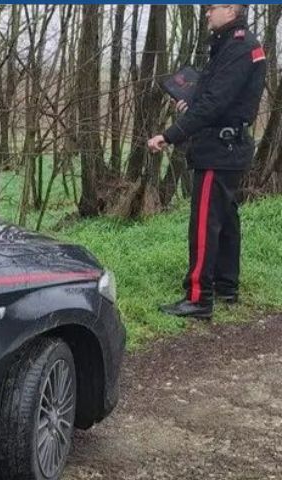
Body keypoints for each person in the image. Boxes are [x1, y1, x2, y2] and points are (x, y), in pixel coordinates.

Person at [147, 4, 267, 319]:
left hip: (220, 149)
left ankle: (199, 298)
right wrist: (194, 103)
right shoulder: (231, 44)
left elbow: (216, 103)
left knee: (203, 223)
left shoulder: (239, 47)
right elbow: (219, 97)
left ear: (231, 8)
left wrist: (169, 135)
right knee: (226, 219)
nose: (207, 13)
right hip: (229, 146)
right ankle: (227, 287)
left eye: (212, 7)